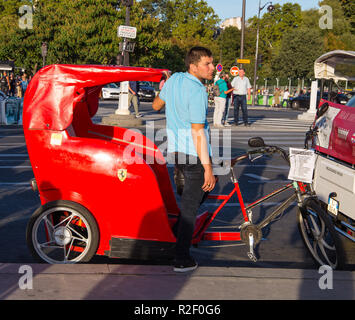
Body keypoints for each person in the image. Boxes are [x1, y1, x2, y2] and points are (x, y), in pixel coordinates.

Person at [152, 46, 216, 272]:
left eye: (212, 63)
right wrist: (207, 167)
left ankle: (175, 238)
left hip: (177, 152)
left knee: (194, 197)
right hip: (194, 154)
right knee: (190, 206)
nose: (212, 68)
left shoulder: (175, 80)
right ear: (193, 65)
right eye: (207, 64)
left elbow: (156, 105)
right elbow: (198, 131)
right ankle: (181, 258)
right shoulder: (198, 91)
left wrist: (167, 85)